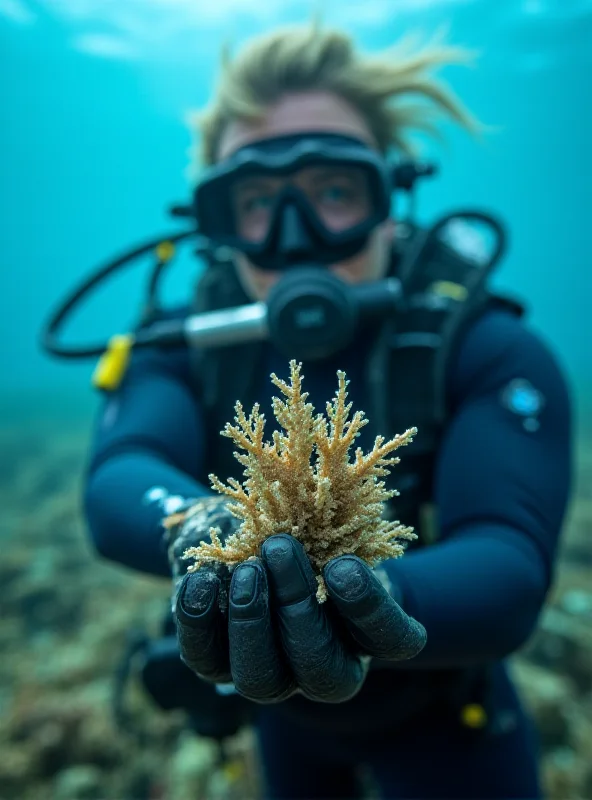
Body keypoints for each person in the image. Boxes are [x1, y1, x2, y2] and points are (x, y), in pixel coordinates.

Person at [84, 22, 573, 800]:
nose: (298, 239)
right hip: (280, 717)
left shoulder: (488, 350)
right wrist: (194, 528)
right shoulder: (182, 344)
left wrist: (375, 602)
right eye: (255, 204)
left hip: (449, 710)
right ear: (216, 224)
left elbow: (510, 562)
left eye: (336, 193)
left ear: (390, 200)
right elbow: (119, 477)